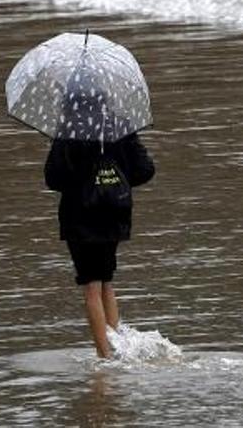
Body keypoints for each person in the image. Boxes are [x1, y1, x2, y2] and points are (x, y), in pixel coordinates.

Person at [44, 131, 155, 358]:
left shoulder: (70, 131)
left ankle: (104, 357)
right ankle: (116, 348)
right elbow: (145, 169)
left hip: (80, 217)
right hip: (115, 213)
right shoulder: (123, 128)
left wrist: (82, 178)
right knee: (106, 281)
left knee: (91, 286)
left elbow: (53, 179)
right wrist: (116, 180)